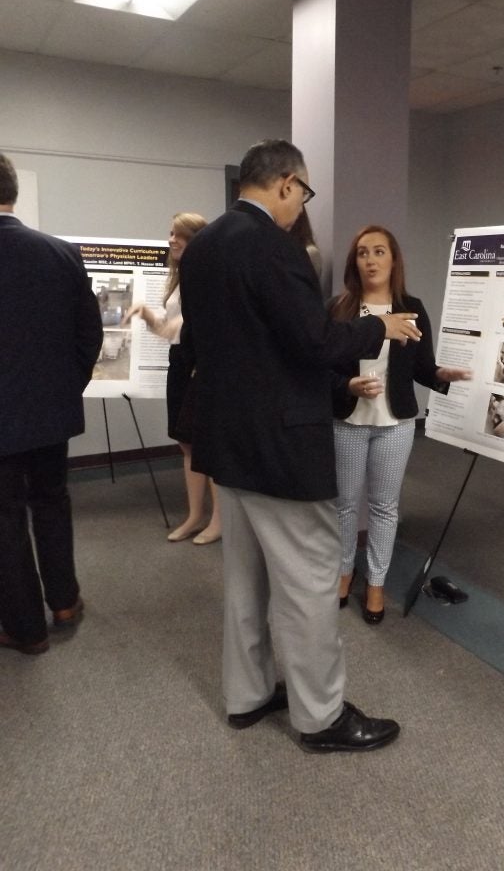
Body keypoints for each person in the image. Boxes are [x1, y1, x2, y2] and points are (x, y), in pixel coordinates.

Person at [178, 139, 422, 753]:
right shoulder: (273, 248)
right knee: (312, 580)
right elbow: (313, 343)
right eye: (303, 193)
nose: (300, 207)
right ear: (286, 184)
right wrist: (378, 327)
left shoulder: (202, 244)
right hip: (281, 445)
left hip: (228, 441)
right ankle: (321, 717)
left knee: (244, 579)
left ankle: (248, 695)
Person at [329, 226, 472, 624]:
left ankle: (375, 582)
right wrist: (347, 385)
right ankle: (344, 572)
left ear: (393, 260)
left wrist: (444, 374)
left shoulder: (411, 306)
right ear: (354, 262)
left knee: (384, 507)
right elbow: (319, 369)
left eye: (379, 251)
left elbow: (422, 367)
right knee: (343, 505)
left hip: (395, 424)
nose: (371, 260)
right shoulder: (340, 309)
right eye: (362, 253)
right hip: (348, 421)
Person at [0, 154, 103, 654]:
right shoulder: (61, 254)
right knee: (52, 503)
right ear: (13, 193)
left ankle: (25, 628)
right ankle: (64, 601)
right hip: (50, 413)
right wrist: (67, 386)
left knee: (5, 517)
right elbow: (90, 334)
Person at [123, 214, 222, 545]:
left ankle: (218, 520)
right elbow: (170, 330)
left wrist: (195, 352)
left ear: (197, 240)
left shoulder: (208, 278)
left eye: (179, 235)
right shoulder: (179, 278)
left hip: (201, 365)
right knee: (186, 442)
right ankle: (196, 515)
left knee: (206, 445)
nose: (171, 240)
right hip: (179, 361)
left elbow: (206, 328)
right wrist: (148, 314)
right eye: (170, 233)